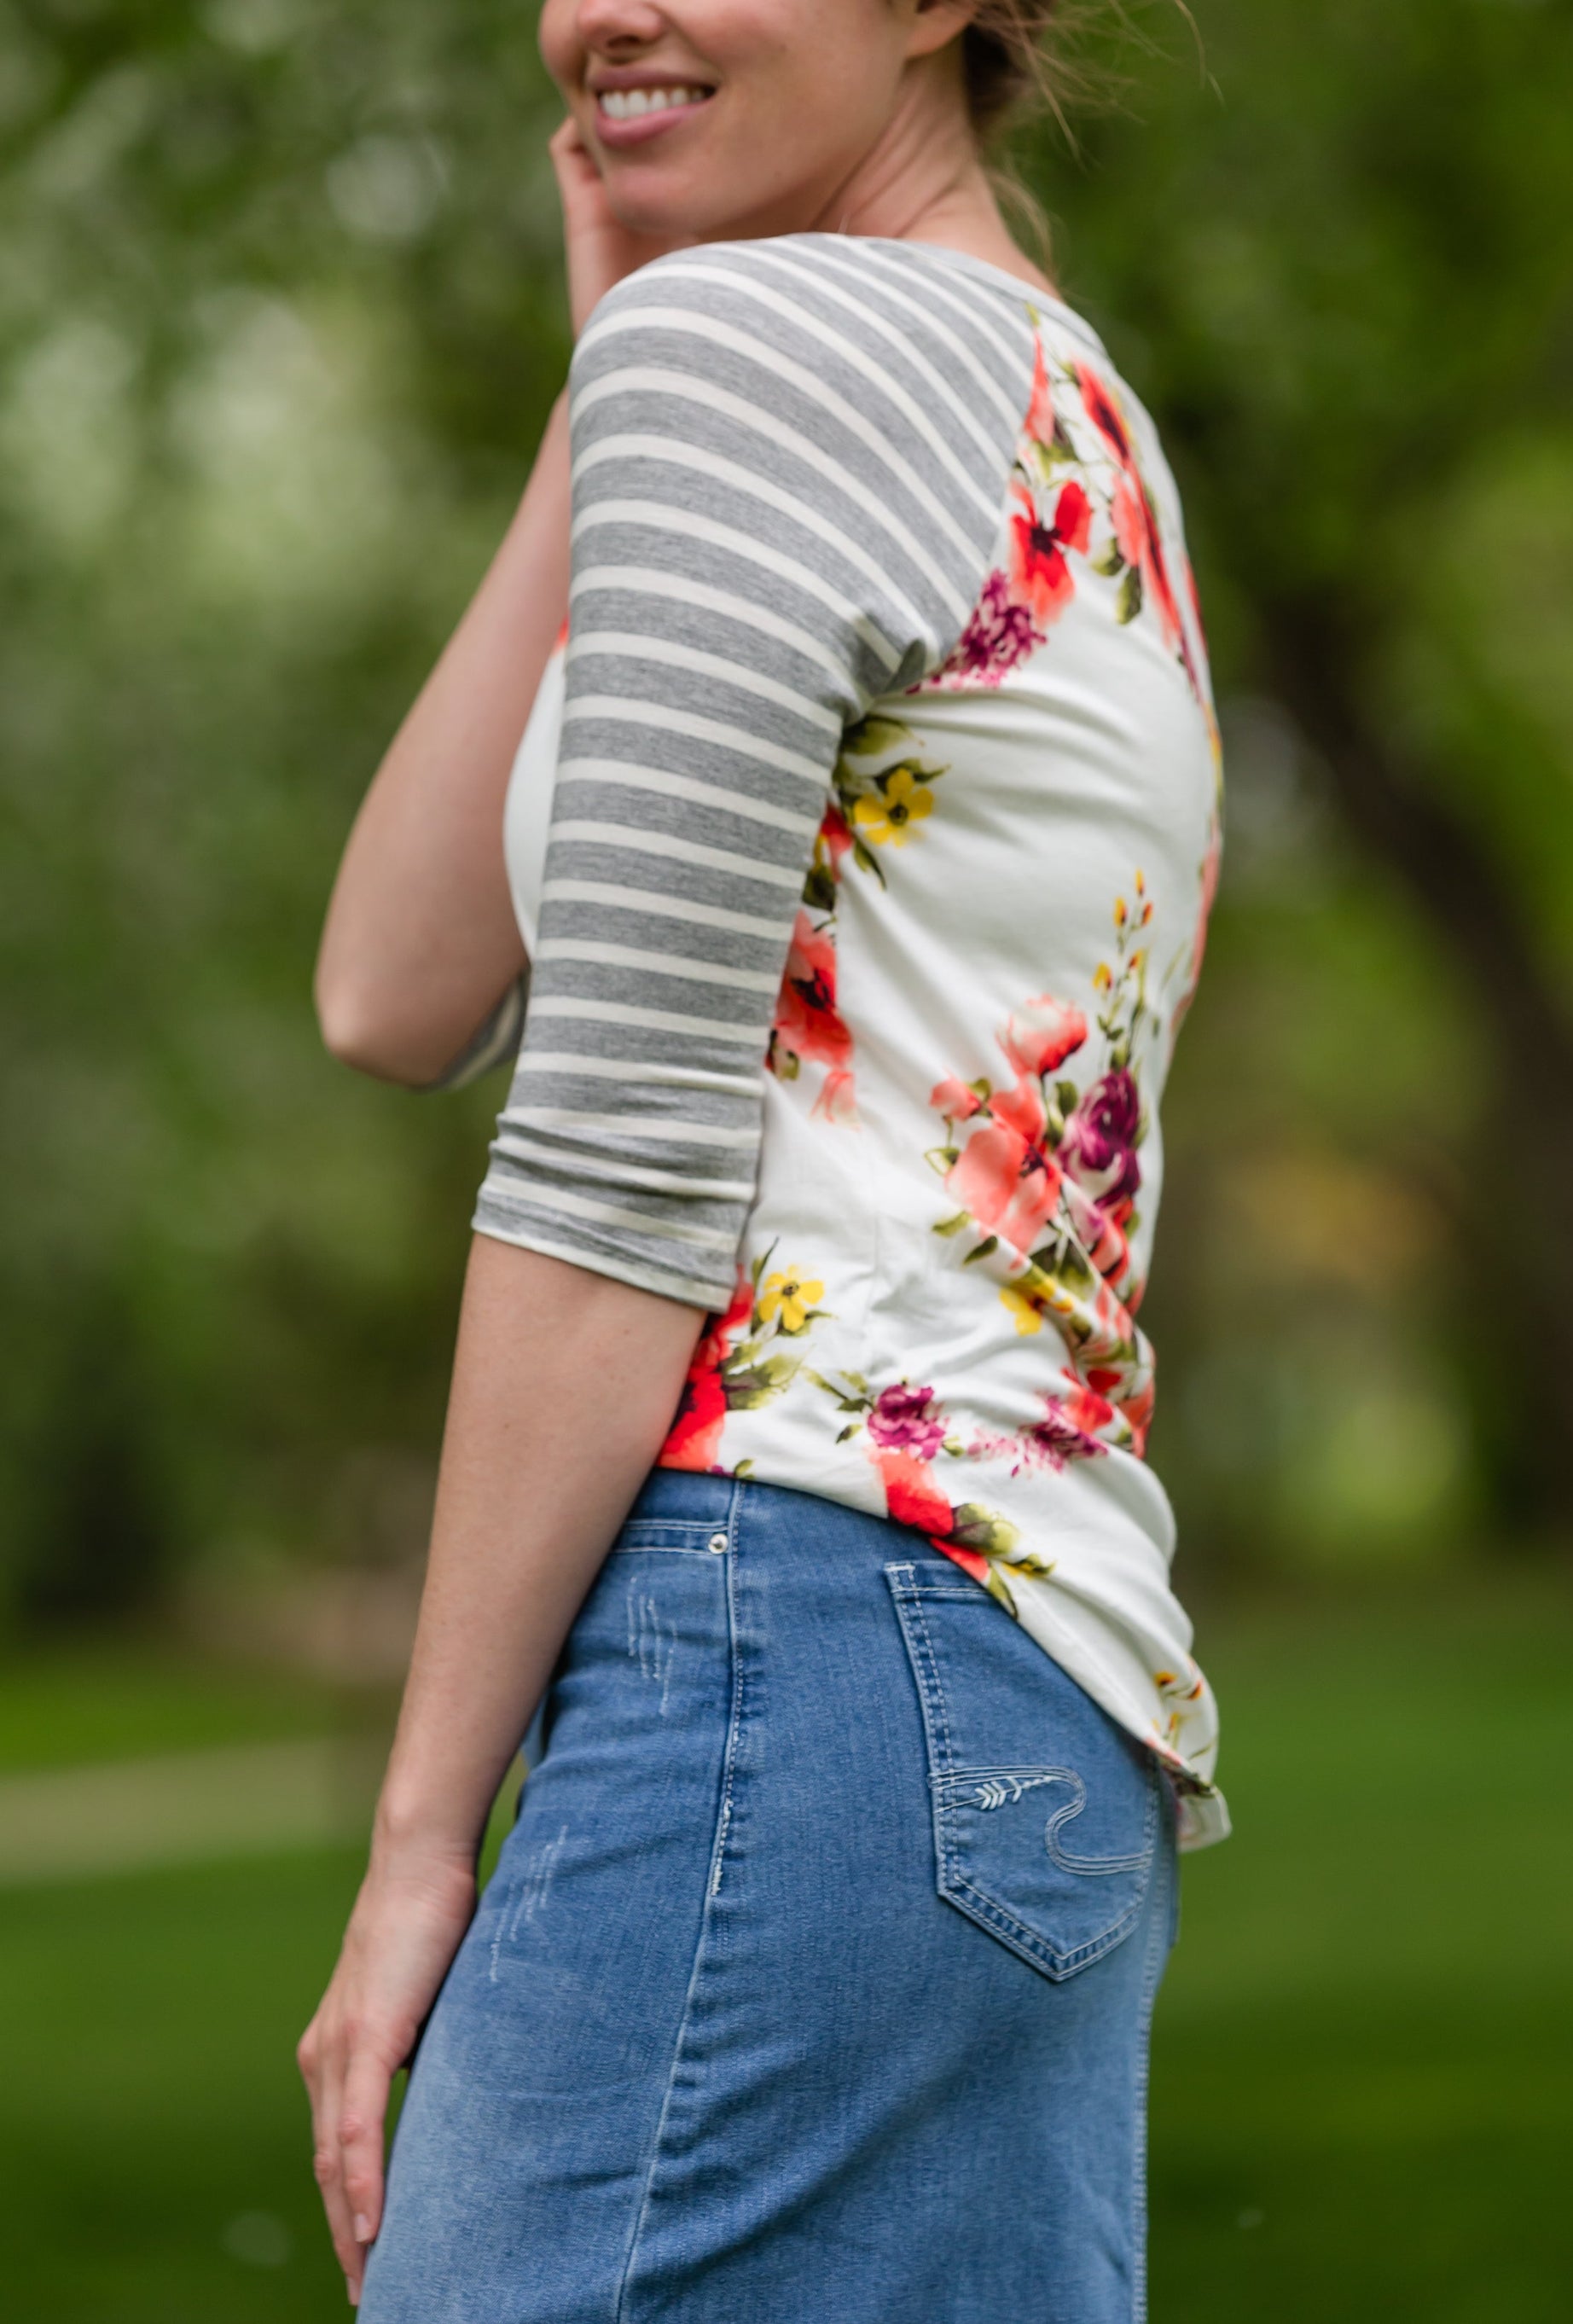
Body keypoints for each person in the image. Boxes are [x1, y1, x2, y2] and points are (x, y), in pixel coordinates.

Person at [301, 3, 1227, 2316]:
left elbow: (611, 1159)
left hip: (778, 1628)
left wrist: (423, 1833)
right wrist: (601, 380)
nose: (597, 10)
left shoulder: (778, 348)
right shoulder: (1056, 398)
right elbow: (393, 986)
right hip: (1027, 1690)